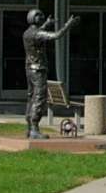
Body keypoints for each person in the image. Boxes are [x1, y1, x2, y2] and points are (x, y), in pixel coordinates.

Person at [22, 9, 79, 139]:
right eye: (39, 16)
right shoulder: (36, 34)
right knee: (39, 97)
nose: (41, 17)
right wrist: (68, 25)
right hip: (39, 69)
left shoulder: (28, 33)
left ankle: (29, 128)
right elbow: (56, 35)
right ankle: (34, 128)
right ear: (33, 18)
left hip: (30, 68)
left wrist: (46, 24)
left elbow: (39, 33)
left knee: (31, 96)